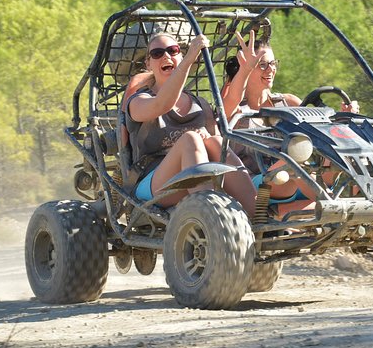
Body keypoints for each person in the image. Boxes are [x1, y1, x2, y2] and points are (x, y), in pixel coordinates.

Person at [221, 32, 359, 214]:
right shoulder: (237, 108)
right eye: (261, 65)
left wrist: (345, 119)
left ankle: (362, 208)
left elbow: (322, 130)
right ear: (246, 68)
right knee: (289, 161)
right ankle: (331, 207)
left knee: (344, 151)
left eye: (272, 63)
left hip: (301, 179)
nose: (270, 70)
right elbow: (228, 104)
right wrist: (245, 70)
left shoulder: (288, 102)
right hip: (262, 183)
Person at [124, 33, 256, 216]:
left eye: (173, 50)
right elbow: (162, 104)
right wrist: (188, 60)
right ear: (148, 63)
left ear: (179, 54)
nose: (166, 56)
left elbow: (230, 104)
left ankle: (257, 215)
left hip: (197, 182)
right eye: (157, 53)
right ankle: (214, 217)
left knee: (216, 142)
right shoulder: (138, 101)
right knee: (191, 139)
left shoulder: (199, 104)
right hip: (153, 185)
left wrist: (246, 70)